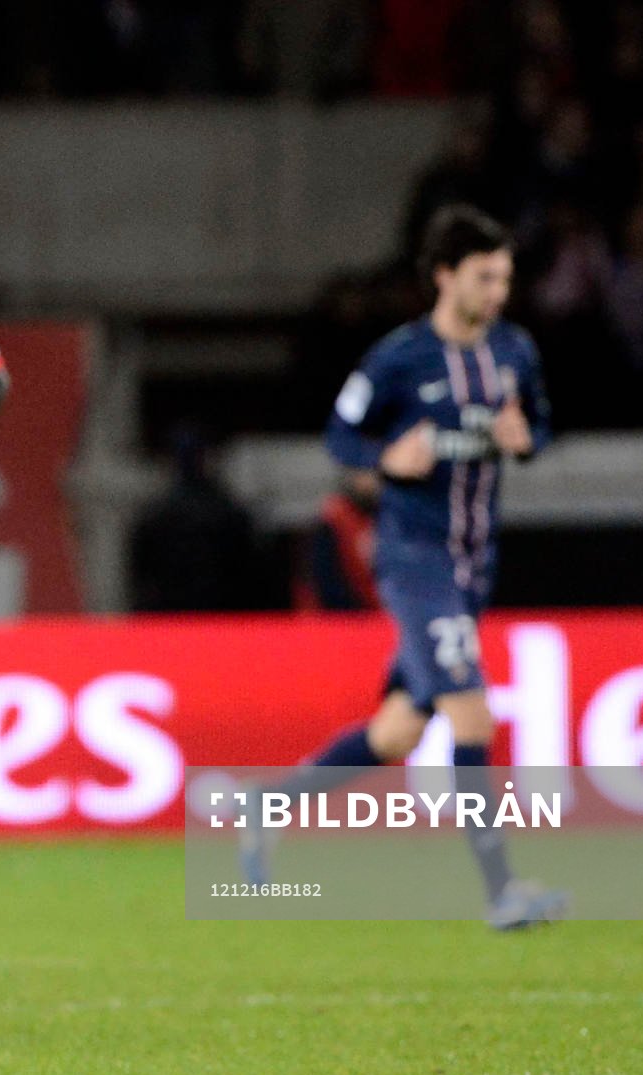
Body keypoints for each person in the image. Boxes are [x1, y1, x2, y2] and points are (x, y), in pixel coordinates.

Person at [240, 205, 568, 930]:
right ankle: (501, 890)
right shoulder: (398, 359)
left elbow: (539, 425)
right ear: (445, 275)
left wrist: (525, 439)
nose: (498, 292)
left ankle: (267, 806)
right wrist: (384, 460)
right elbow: (340, 435)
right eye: (485, 276)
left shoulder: (514, 352)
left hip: (474, 561)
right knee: (470, 712)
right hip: (415, 560)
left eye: (506, 277)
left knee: (396, 734)